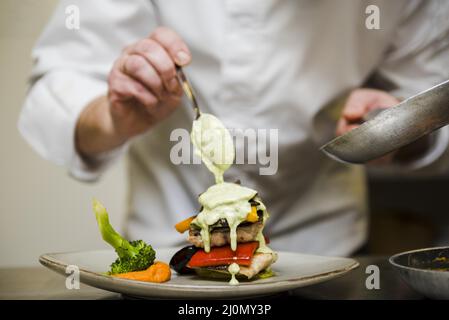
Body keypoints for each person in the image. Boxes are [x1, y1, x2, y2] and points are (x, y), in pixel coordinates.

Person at [18, 0, 449, 256]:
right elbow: (60, 88)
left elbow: (431, 97)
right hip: (168, 250)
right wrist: (113, 116)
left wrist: (391, 127)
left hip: (325, 248)